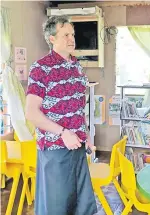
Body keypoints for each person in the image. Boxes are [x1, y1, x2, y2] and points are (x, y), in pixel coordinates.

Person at [25, 15, 97, 215]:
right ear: (52, 38)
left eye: (72, 34)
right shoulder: (40, 68)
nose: (71, 38)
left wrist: (87, 134)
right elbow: (31, 112)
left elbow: (77, 108)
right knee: (56, 208)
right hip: (55, 150)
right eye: (65, 34)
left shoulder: (77, 67)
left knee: (81, 206)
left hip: (78, 146)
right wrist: (63, 133)